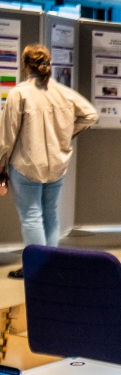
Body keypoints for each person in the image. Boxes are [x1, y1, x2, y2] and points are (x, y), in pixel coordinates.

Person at [0, 44, 98, 279]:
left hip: (26, 165)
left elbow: (7, 136)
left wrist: (1, 164)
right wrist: (66, 135)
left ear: (25, 65)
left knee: (31, 217)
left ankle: (36, 268)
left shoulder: (19, 93)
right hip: (57, 164)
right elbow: (91, 114)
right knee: (51, 214)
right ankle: (51, 265)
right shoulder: (63, 92)